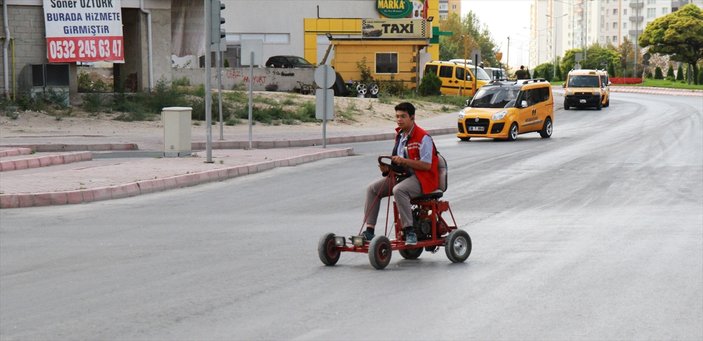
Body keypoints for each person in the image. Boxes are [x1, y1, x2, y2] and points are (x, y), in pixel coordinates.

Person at [360, 102, 439, 245]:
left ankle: (410, 232)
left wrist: (404, 161)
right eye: (397, 116)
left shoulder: (423, 137)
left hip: (423, 179)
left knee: (399, 190)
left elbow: (427, 165)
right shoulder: (400, 136)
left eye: (403, 116)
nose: (399, 120)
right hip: (404, 177)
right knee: (372, 189)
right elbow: (399, 165)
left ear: (412, 117)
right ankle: (369, 231)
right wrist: (387, 170)